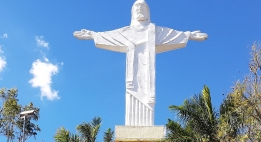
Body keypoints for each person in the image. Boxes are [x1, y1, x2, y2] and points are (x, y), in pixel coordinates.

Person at [74, 0, 208, 126]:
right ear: (132, 12)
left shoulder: (154, 31)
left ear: (148, 12)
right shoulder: (127, 32)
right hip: (132, 80)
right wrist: (93, 35)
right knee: (132, 97)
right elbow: (111, 36)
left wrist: (188, 35)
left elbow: (171, 35)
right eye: (137, 7)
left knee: (148, 100)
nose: (140, 9)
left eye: (142, 7)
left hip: (147, 79)